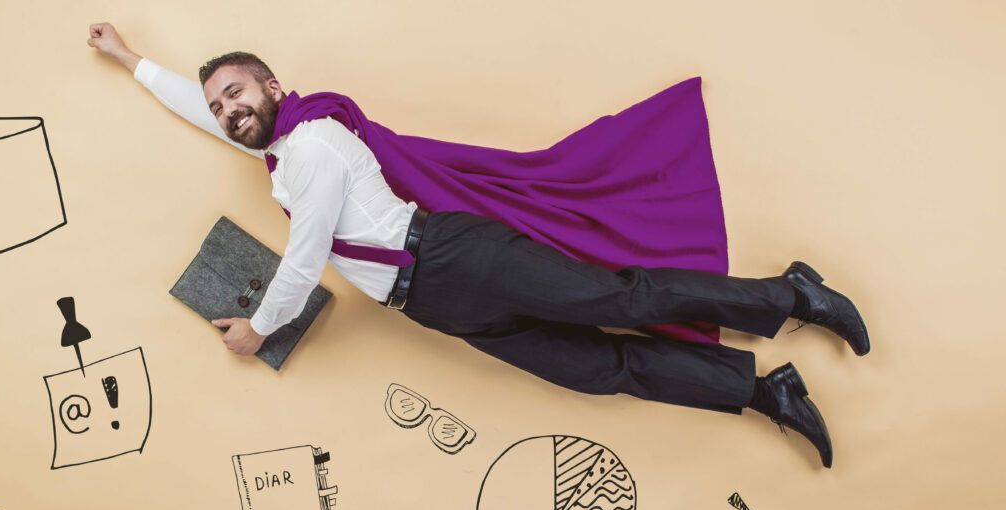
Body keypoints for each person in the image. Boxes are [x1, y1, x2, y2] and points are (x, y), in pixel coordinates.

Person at [87, 22, 870, 468]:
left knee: (623, 297)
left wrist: (259, 331)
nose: (227, 110)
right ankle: (763, 390)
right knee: (598, 368)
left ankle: (792, 294)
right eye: (221, 105)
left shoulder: (313, 143)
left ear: (274, 88)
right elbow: (203, 108)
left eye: (238, 93)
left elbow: (305, 256)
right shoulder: (277, 150)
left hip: (457, 256)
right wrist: (131, 60)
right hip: (431, 300)